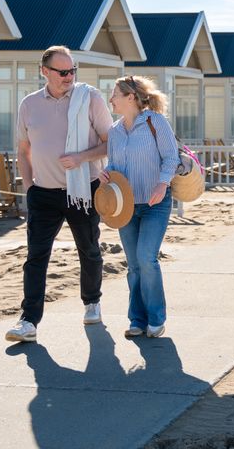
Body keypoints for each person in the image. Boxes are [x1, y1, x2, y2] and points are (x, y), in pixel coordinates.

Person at [6, 46, 113, 343]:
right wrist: (29, 186)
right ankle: (28, 321)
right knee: (36, 257)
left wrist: (81, 157)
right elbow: (24, 150)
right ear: (45, 71)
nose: (69, 77)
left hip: (83, 190)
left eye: (72, 71)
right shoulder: (29, 104)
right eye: (62, 72)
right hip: (44, 194)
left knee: (89, 250)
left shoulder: (89, 98)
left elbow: (110, 143)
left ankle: (92, 301)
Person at [100, 75, 179, 339]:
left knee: (147, 258)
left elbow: (171, 157)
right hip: (125, 206)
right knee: (133, 265)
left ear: (130, 97)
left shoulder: (156, 122)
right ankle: (137, 319)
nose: (111, 99)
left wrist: (162, 184)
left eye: (115, 95)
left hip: (156, 203)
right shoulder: (114, 131)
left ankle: (156, 319)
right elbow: (115, 166)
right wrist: (106, 173)